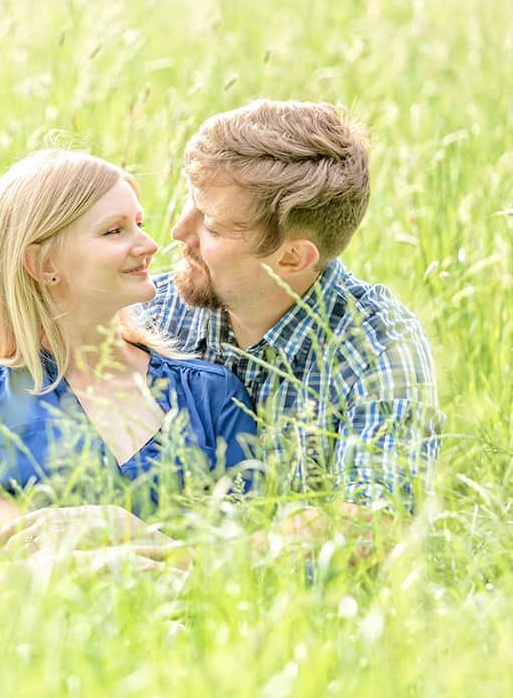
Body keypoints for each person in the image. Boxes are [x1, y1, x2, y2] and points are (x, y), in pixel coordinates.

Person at [137, 99, 441, 551]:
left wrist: (183, 561)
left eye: (214, 227)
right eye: (190, 204)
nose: (178, 231)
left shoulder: (378, 344)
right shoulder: (151, 311)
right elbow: (12, 420)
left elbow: (373, 527)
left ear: (292, 257)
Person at [0, 150, 258, 533]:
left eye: (139, 223)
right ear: (44, 265)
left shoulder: (211, 392)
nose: (150, 245)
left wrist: (121, 532)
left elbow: (251, 558)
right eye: (114, 230)